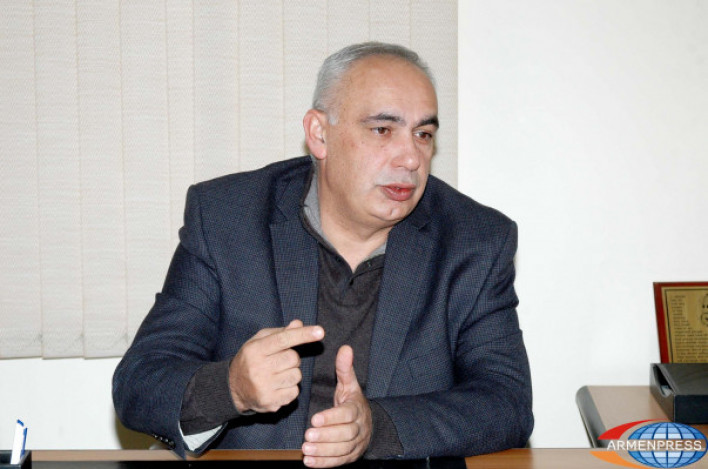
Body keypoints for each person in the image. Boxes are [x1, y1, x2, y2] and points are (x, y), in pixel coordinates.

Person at [113, 42, 533, 468]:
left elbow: (507, 402)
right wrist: (231, 388)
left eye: (423, 135)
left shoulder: (474, 241)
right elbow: (140, 383)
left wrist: (376, 427)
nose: (411, 159)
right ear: (319, 133)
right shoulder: (228, 219)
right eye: (382, 130)